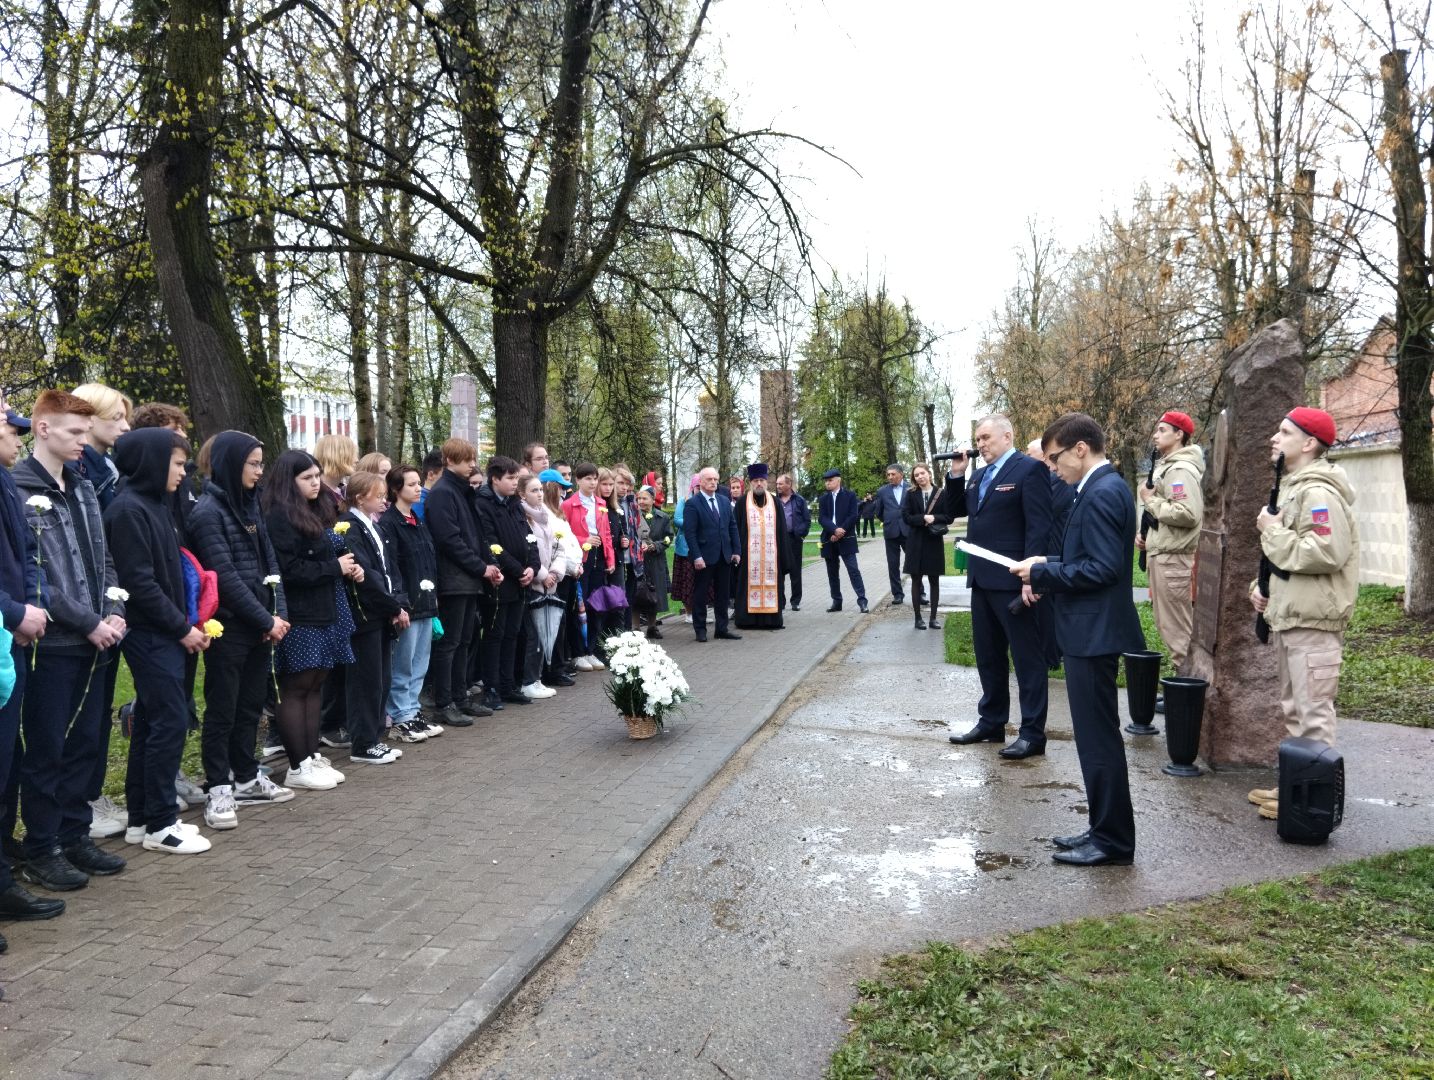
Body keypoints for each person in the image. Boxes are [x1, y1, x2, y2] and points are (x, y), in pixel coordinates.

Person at [1012, 413, 1143, 867]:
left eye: (1055, 458)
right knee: (1094, 741)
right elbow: (1084, 556)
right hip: (1089, 629)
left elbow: (1103, 569)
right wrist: (1044, 559)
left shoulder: (1104, 491)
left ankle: (1112, 842)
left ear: (1081, 449)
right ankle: (1102, 828)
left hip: (1094, 632)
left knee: (1099, 741)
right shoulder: (1098, 488)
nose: (1052, 467)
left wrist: (1046, 572)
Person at [9, 393, 123, 892]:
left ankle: (75, 832)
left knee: (87, 743)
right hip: (53, 642)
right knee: (48, 746)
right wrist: (86, 621)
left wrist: (114, 610)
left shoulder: (82, 487)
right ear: (42, 429)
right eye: (74, 433)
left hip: (98, 638)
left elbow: (103, 558)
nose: (83, 443)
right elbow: (35, 577)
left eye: (86, 432)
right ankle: (42, 844)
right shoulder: (18, 487)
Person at [104, 428, 214, 853]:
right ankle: (160, 826)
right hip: (151, 634)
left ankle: (142, 817)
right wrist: (181, 627)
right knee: (169, 721)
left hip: (164, 631)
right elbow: (141, 584)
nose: (183, 474)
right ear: (151, 462)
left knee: (152, 721)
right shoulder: (128, 510)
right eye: (177, 464)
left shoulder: (154, 506)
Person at [1246, 408, 1358, 819]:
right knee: (1295, 711)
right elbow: (1288, 561)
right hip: (1294, 617)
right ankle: (1297, 787)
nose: (1275, 438)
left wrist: (1270, 530)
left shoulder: (1318, 493)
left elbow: (1326, 553)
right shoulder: (1295, 488)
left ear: (1309, 443)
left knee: (1313, 712)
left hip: (1314, 622)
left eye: (1284, 432)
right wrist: (1263, 591)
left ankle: (1315, 802)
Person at [188, 431, 295, 829]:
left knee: (250, 705)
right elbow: (226, 577)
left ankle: (247, 776)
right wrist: (264, 618)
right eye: (252, 463)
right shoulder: (208, 513)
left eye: (261, 463)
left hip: (260, 627)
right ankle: (218, 786)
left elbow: (271, 565)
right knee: (223, 709)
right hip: (230, 628)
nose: (259, 471)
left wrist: (276, 613)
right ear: (233, 464)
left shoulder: (252, 507)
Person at [947, 414, 1054, 760]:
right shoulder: (978, 475)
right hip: (982, 581)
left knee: (1026, 660)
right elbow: (955, 511)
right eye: (977, 439)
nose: (980, 444)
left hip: (1013, 580)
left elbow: (1039, 526)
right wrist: (957, 475)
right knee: (988, 657)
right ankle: (992, 721)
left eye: (986, 437)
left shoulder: (1028, 470)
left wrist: (1032, 577)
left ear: (1007, 436)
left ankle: (1032, 733)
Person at [262, 451, 354, 790]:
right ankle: (297, 764)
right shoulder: (279, 516)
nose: (316, 483)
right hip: (300, 613)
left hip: (325, 608)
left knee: (316, 684)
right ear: (290, 481)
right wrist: (335, 567)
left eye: (317, 476)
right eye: (307, 478)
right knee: (297, 687)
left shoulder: (316, 509)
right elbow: (289, 570)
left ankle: (311, 755)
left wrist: (345, 565)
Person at [69, 383, 131, 840]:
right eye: (117, 419)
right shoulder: (84, 474)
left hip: (112, 602)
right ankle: (81, 802)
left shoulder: (108, 468)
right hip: (83, 611)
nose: (125, 428)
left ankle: (90, 795)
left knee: (100, 705)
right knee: (81, 711)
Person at [425, 438, 495, 725]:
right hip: (454, 580)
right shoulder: (443, 493)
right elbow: (450, 540)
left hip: (468, 578)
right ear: (450, 462)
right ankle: (444, 702)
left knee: (465, 640)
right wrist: (481, 567)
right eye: (466, 460)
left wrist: (489, 564)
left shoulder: (463, 492)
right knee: (450, 643)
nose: (472, 466)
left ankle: (461, 697)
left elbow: (474, 535)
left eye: (473, 460)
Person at [341, 472, 409, 763]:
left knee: (381, 678)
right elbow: (366, 575)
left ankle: (374, 737)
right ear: (360, 498)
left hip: (381, 613)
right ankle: (363, 742)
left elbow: (389, 568)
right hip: (365, 615)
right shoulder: (351, 528)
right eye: (378, 495)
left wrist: (399, 602)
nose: (384, 500)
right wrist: (391, 606)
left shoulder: (375, 527)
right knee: (365, 680)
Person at [1137, 411, 1205, 682]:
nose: (1156, 434)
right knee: (1169, 626)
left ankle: (1189, 691)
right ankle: (1183, 685)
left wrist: (1150, 501)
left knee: (1177, 629)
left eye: (1163, 430)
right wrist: (1147, 537)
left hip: (1173, 559)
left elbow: (1188, 514)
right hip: (1163, 554)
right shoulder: (1169, 465)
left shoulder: (1180, 469)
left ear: (1180, 434)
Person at [380, 465, 443, 740]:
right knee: (402, 663)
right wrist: (400, 603)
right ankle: (400, 716)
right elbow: (392, 566)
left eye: (419, 483)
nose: (418, 488)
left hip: (425, 601)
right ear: (396, 490)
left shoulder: (417, 520)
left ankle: (412, 709)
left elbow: (428, 561)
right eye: (411, 484)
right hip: (407, 604)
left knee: (420, 662)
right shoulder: (389, 523)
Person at [474, 456, 539, 710]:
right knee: (495, 634)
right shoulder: (484, 503)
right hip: (502, 581)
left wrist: (533, 567)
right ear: (495, 479)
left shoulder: (514, 504)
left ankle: (507, 683)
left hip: (522, 580)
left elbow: (529, 537)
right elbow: (491, 543)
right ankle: (491, 687)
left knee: (513, 633)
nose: (515, 483)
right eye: (510, 478)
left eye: (516, 478)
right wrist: (517, 569)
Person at [561, 462, 613, 670]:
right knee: (578, 606)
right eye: (587, 479)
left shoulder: (600, 503)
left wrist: (609, 558)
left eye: (594, 479)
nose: (592, 483)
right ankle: (577, 652)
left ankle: (591, 649)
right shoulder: (569, 504)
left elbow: (606, 534)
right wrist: (585, 539)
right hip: (579, 558)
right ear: (578, 480)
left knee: (595, 604)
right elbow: (566, 533)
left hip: (598, 557)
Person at [682, 466, 742, 642]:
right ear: (701, 482)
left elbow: (732, 526)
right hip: (704, 557)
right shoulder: (693, 503)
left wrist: (736, 550)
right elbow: (690, 533)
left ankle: (721, 629)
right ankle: (700, 630)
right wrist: (697, 556)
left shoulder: (724, 501)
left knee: (723, 594)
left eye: (716, 479)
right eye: (709, 479)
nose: (713, 482)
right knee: (701, 594)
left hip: (724, 555)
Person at [517, 474, 562, 697]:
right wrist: (542, 575)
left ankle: (537, 678)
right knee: (533, 635)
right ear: (522, 494)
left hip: (549, 582)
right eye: (534, 490)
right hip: (534, 584)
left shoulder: (544, 517)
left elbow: (557, 547)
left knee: (545, 631)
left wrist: (554, 572)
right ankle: (528, 681)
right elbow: (527, 552)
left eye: (540, 490)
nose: (540, 494)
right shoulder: (523, 518)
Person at [901, 462, 958, 629]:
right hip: (915, 542)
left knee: (934, 580)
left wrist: (935, 518)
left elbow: (949, 517)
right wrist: (922, 518)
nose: (920, 477)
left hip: (934, 542)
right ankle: (918, 618)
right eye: (916, 475)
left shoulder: (942, 493)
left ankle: (933, 618)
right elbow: (906, 516)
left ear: (929, 474)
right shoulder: (911, 494)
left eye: (922, 473)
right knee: (916, 580)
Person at [732, 463, 785, 630]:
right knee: (746, 585)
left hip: (771, 558)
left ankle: (771, 620)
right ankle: (746, 620)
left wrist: (784, 557)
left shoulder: (775, 502)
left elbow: (782, 530)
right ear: (750, 482)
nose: (759, 484)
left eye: (762, 480)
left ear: (767, 481)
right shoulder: (741, 503)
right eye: (755, 481)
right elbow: (734, 530)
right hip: (748, 558)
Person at [817, 468, 867, 613]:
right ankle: (836, 601)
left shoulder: (850, 496)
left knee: (853, 570)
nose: (827, 483)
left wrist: (840, 531)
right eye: (826, 481)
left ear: (838, 480)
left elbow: (853, 515)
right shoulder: (823, 499)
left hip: (846, 538)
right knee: (832, 573)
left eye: (830, 480)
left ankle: (862, 601)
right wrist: (833, 530)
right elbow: (822, 518)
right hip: (829, 538)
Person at [633, 485, 672, 638]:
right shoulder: (633, 515)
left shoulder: (663, 517)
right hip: (638, 560)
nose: (641, 501)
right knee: (636, 592)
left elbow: (669, 537)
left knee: (653, 593)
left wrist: (655, 546)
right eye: (639, 498)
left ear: (652, 499)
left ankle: (652, 627)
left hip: (655, 561)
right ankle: (635, 627)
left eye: (644, 498)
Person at [874, 464, 913, 606]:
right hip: (891, 532)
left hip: (908, 531)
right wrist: (890, 521)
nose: (890, 477)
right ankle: (897, 594)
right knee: (893, 565)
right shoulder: (882, 491)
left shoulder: (911, 488)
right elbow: (878, 512)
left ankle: (919, 593)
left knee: (914, 563)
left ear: (901, 474)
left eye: (893, 474)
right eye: (888, 474)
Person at [774, 473, 810, 611]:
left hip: (794, 539)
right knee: (780, 571)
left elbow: (806, 520)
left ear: (788, 484)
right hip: (779, 540)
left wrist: (800, 534)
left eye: (780, 484)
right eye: (777, 484)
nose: (778, 486)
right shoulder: (774, 500)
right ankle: (780, 601)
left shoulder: (799, 500)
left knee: (795, 571)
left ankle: (795, 601)